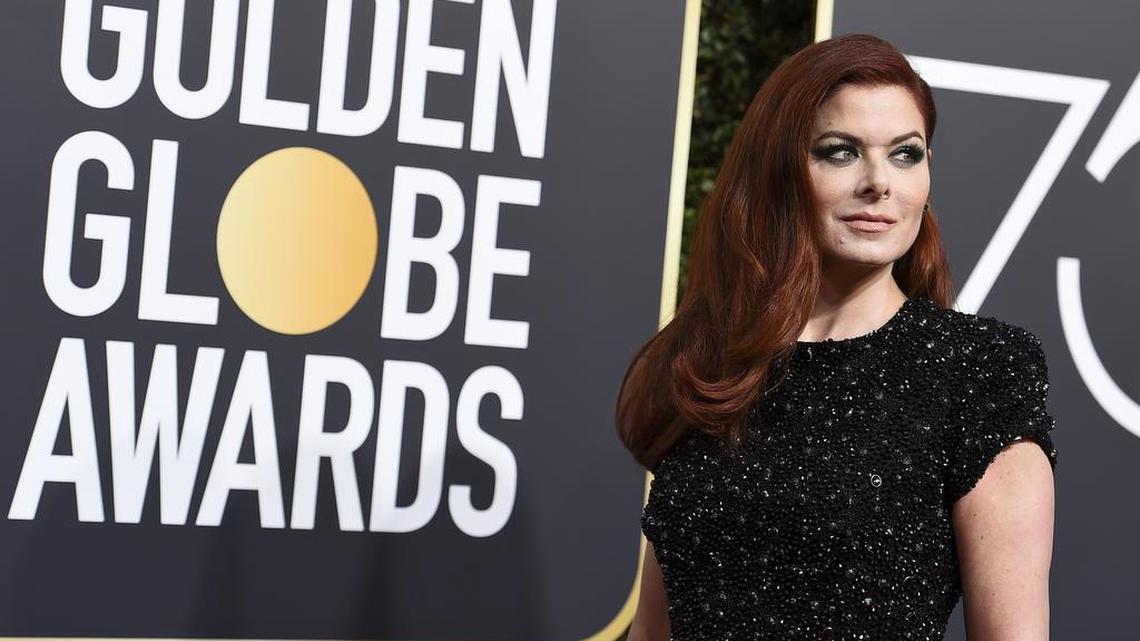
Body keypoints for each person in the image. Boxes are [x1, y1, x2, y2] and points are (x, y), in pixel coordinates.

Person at [616, 33, 1058, 641]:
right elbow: (653, 631)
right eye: (840, 152)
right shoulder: (710, 366)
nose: (879, 182)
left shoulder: (979, 370)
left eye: (905, 154)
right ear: (779, 173)